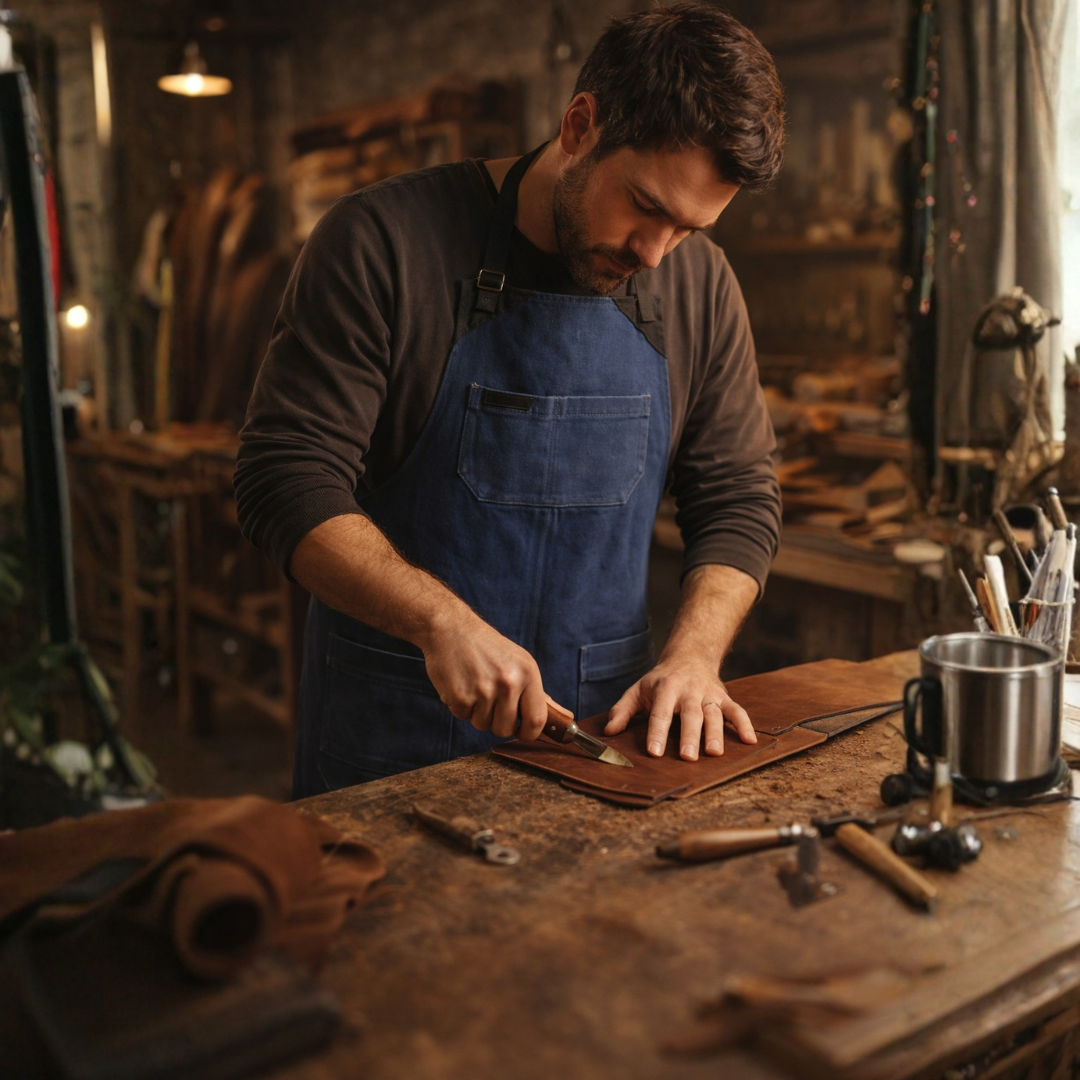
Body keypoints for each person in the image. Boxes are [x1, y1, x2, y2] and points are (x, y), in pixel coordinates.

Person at [234, 2, 785, 798]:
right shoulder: (382, 243)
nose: (654, 253)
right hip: (394, 734)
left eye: (689, 229)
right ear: (580, 125)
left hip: (600, 746)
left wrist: (695, 656)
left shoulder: (698, 287)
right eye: (647, 207)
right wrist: (439, 622)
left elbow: (738, 496)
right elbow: (284, 478)